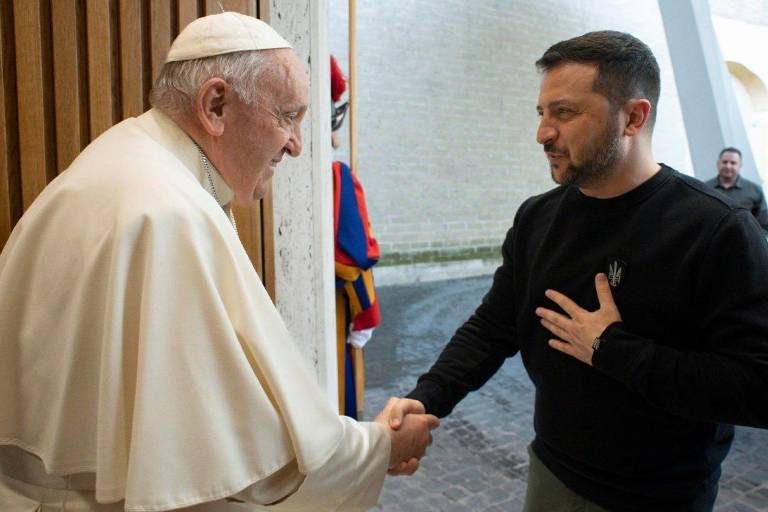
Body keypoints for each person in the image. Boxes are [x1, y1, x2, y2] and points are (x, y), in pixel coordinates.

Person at [0, 12, 437, 512]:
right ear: (215, 105)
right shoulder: (168, 213)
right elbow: (248, 468)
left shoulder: (123, 159)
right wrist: (379, 448)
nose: (296, 145)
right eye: (288, 116)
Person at [390, 30, 768, 511]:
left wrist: (613, 350)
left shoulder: (716, 230)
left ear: (633, 117)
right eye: (541, 113)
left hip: (661, 496)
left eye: (564, 113)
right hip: (553, 473)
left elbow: (759, 386)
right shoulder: (537, 218)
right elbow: (495, 325)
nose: (543, 133)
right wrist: (427, 399)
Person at [705, 147, 768, 232]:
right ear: (718, 163)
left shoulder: (755, 190)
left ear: (740, 165)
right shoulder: (705, 188)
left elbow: (763, 223)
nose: (728, 166)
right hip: (712, 242)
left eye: (733, 163)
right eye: (725, 162)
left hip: (744, 243)